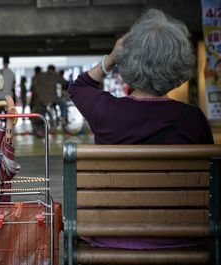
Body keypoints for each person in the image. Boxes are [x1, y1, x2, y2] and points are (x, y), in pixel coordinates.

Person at [68, 9, 214, 249]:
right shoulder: (193, 119)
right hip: (182, 235)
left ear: (128, 61)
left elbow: (79, 87)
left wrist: (112, 57)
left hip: (109, 234)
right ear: (179, 64)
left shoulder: (105, 110)